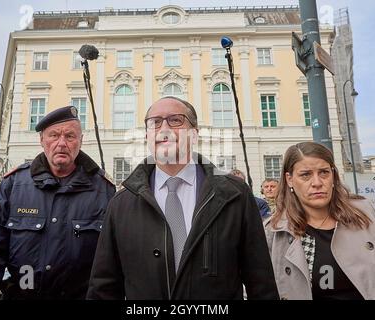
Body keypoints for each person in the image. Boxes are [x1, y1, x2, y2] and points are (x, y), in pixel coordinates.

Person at [87, 96, 278, 300]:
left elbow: (260, 281)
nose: (164, 129)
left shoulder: (235, 195)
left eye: (175, 120)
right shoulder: (122, 203)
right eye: (155, 122)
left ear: (194, 134)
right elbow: (104, 287)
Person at [0, 106, 115, 300]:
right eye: (54, 135)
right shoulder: (14, 185)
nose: (61, 143)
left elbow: (114, 264)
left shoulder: (104, 190)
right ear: (42, 140)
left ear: (81, 141)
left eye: (70, 136)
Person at [265, 141, 375, 300]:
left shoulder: (366, 213)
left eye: (324, 173)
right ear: (289, 179)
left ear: (333, 175)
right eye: (305, 175)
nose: (317, 183)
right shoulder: (274, 232)